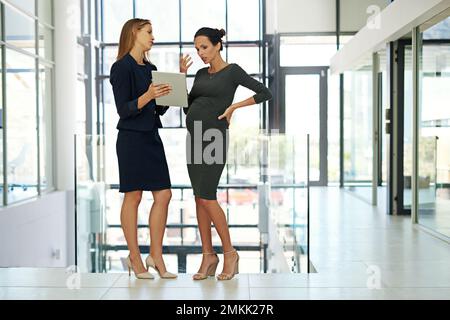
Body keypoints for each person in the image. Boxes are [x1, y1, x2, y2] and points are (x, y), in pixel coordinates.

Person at [180, 27, 272, 281]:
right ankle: (208, 255)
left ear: (218, 45)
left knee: (207, 196)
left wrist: (234, 107)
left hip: (213, 138)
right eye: (197, 48)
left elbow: (265, 92)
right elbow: (188, 106)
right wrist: (181, 77)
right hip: (194, 137)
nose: (200, 53)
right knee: (199, 197)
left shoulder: (232, 72)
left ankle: (230, 253)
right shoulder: (199, 73)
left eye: (205, 47)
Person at [110, 18, 176, 279]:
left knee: (164, 195)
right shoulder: (120, 67)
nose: (153, 36)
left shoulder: (152, 68)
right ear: (134, 33)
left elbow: (157, 108)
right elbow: (123, 109)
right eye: (149, 32)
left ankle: (155, 255)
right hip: (131, 139)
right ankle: (134, 257)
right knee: (133, 196)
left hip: (151, 136)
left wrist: (171, 91)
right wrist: (148, 96)